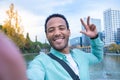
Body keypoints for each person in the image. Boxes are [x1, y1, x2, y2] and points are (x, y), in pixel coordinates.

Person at [27, 14, 104, 80]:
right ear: (47, 36)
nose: (57, 33)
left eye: (61, 28)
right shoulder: (40, 62)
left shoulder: (81, 55)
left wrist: (95, 38)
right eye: (51, 30)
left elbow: (97, 57)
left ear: (69, 32)